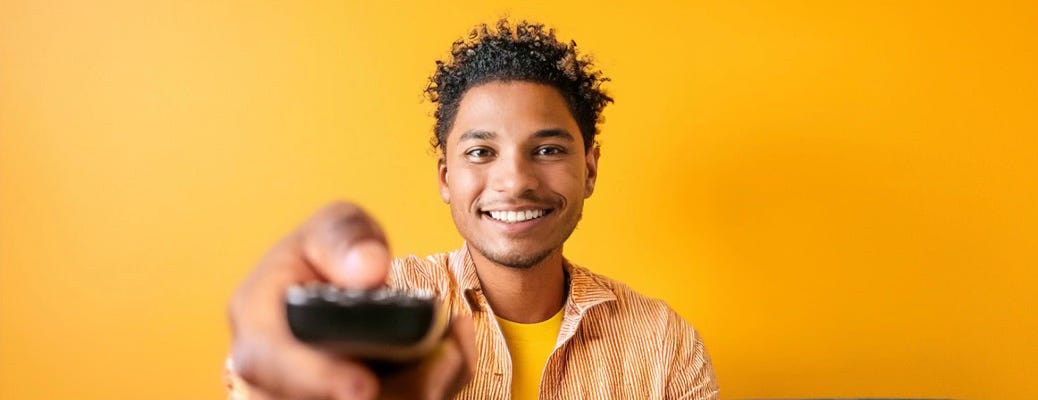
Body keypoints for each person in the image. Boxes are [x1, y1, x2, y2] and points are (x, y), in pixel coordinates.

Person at [225, 19, 718, 400]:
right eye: (481, 153)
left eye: (548, 150)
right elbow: (260, 377)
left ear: (589, 170)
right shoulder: (379, 307)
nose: (516, 181)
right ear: (445, 177)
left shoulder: (663, 343)